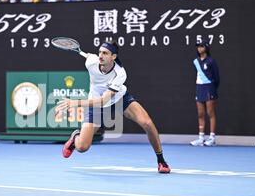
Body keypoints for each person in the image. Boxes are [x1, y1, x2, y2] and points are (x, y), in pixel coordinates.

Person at [57, 40, 171, 174]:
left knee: (147, 123)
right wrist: (90, 55)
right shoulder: (91, 62)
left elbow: (104, 100)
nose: (100, 56)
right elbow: (89, 56)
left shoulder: (120, 73)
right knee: (82, 147)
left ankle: (161, 160)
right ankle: (76, 136)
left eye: (105, 53)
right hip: (96, 104)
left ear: (114, 57)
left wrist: (75, 103)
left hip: (118, 99)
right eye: (99, 52)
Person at [190, 41, 220, 147]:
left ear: (206, 48)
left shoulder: (211, 61)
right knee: (200, 114)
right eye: (198, 46)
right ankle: (201, 138)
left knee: (210, 113)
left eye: (201, 46)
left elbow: (217, 78)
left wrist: (212, 87)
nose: (199, 48)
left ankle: (212, 138)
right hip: (199, 88)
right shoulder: (196, 61)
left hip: (209, 88)